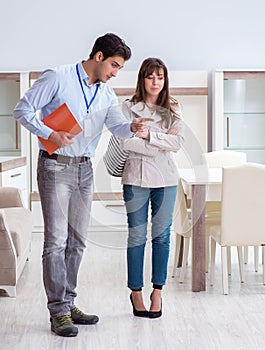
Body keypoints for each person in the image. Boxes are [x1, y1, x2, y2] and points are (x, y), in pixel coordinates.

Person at [13, 33, 151, 337]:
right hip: (55, 166)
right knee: (56, 242)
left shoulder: (105, 93)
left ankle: (69, 302)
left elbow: (114, 125)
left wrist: (131, 126)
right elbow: (22, 110)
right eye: (114, 65)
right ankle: (58, 311)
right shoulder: (58, 78)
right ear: (98, 56)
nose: (115, 73)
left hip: (84, 171)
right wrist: (50, 134)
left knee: (77, 242)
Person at [120, 57, 185, 319]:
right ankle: (136, 291)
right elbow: (125, 143)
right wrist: (160, 141)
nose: (155, 82)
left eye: (160, 76)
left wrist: (147, 135)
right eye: (150, 76)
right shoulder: (128, 107)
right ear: (142, 79)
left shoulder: (174, 107)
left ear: (165, 79)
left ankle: (157, 291)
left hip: (166, 181)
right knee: (136, 236)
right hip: (135, 179)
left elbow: (178, 142)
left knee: (162, 237)